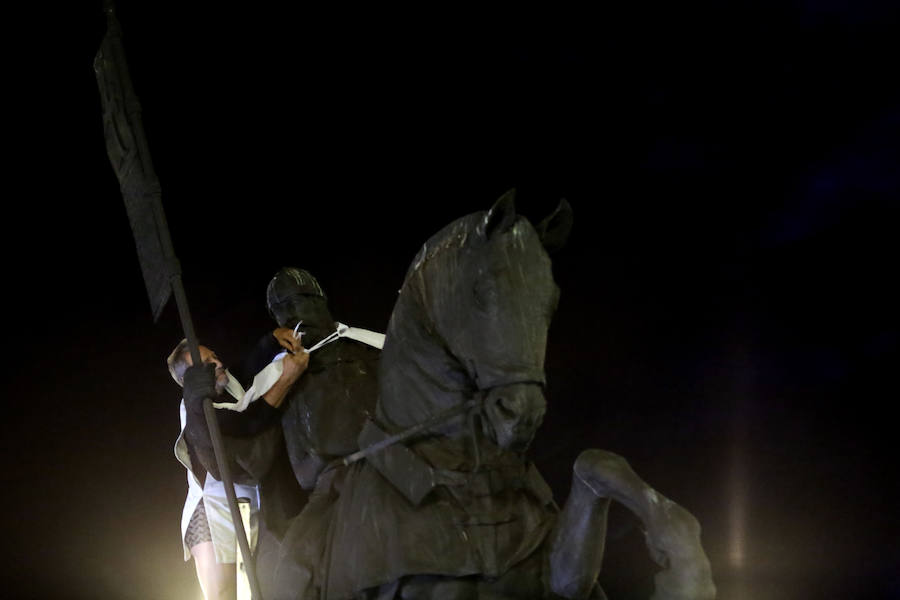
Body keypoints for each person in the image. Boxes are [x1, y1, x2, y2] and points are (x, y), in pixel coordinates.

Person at [167, 338, 308, 600]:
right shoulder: (196, 410)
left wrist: (270, 340)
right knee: (223, 595)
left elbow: (245, 368)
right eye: (207, 364)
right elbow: (244, 424)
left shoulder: (233, 389)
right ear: (192, 378)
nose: (219, 363)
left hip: (250, 509)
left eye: (215, 356)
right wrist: (284, 383)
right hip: (211, 512)